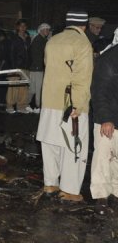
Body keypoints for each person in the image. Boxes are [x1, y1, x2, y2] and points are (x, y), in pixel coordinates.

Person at [36, 10, 93, 202]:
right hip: (70, 104)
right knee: (73, 147)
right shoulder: (82, 43)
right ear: (83, 25)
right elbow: (82, 77)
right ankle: (69, 190)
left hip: (49, 101)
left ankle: (50, 184)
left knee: (51, 144)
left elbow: (48, 67)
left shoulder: (52, 41)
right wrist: (77, 104)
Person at [90, 36, 118, 214]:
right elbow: (99, 91)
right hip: (109, 119)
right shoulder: (109, 59)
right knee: (103, 158)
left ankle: (116, 193)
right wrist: (106, 118)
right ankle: (101, 197)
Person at [6, 19, 31, 114]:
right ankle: (9, 106)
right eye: (21, 26)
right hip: (15, 66)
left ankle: (21, 106)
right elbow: (10, 54)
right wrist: (13, 68)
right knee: (13, 87)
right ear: (17, 27)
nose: (23, 28)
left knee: (24, 87)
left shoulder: (28, 38)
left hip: (26, 66)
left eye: (25, 26)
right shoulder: (13, 38)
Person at [28, 23, 51, 113]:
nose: (48, 31)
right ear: (41, 30)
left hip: (36, 67)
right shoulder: (39, 40)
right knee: (38, 88)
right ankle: (38, 106)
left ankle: (28, 104)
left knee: (33, 88)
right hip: (38, 68)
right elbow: (37, 55)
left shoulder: (40, 39)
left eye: (48, 30)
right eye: (46, 29)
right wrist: (41, 66)